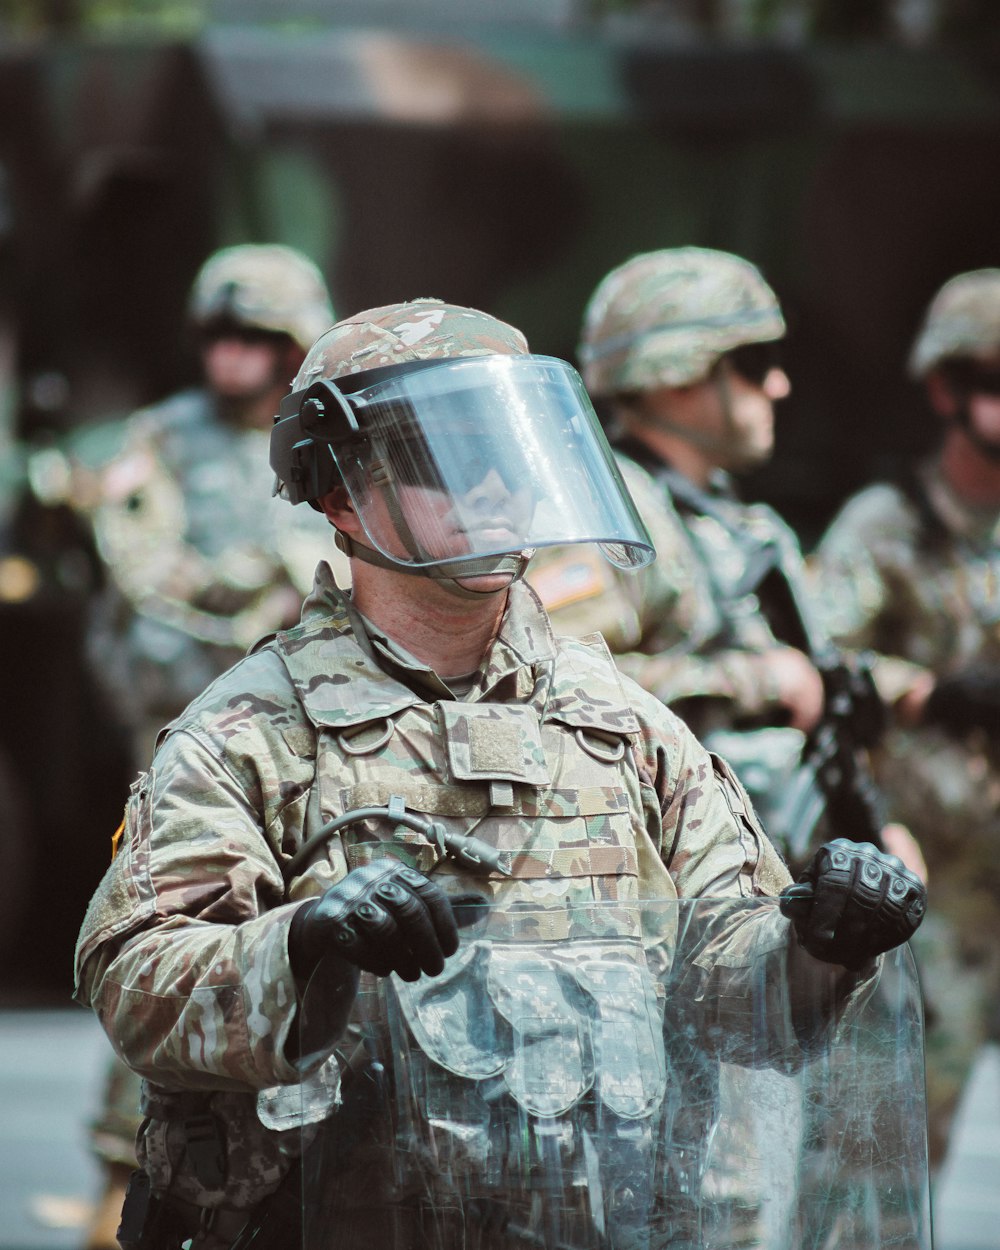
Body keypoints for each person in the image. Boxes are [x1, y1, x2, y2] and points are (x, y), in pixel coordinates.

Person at [73, 298, 925, 1250]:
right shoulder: (251, 731)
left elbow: (735, 998)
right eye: (442, 455)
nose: (493, 485)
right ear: (342, 494)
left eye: (508, 452)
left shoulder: (626, 725)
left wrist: (824, 941)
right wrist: (302, 943)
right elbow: (136, 980)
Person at [78, 243, 342, 1250]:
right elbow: (148, 587)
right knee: (174, 929)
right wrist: (262, 579)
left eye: (261, 336)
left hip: (306, 743)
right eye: (222, 333)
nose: (237, 354)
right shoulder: (154, 444)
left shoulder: (326, 439)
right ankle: (124, 1163)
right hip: (190, 740)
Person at [528, 246, 922, 878]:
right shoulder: (608, 518)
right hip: (669, 899)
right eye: (754, 362)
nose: (778, 384)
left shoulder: (734, 522)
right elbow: (545, 689)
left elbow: (814, 674)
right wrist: (755, 683)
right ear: (678, 374)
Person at [810, 267, 1000, 1168]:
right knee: (897, 1143)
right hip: (932, 882)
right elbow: (818, 667)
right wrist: (929, 688)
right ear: (947, 390)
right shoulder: (885, 525)